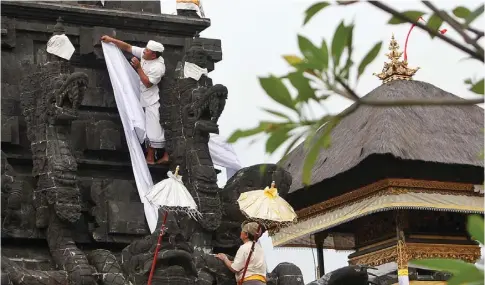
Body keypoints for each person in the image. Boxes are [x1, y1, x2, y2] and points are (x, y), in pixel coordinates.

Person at [100, 35, 169, 165]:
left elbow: (149, 83)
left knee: (153, 129)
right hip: (142, 96)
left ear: (153, 55)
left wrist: (138, 67)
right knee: (144, 124)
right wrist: (111, 40)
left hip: (152, 99)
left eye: (147, 50)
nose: (144, 51)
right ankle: (150, 157)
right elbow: (128, 47)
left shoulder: (158, 67)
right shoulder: (145, 54)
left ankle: (156, 156)